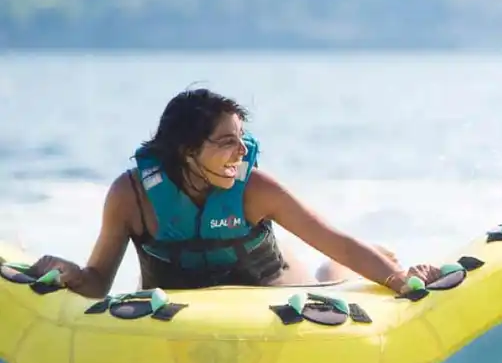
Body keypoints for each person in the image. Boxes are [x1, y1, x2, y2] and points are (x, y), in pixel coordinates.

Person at [23, 88, 440, 297]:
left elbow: (338, 240)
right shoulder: (131, 196)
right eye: (227, 141)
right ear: (188, 150)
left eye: (242, 139)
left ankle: (348, 267)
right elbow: (99, 281)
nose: (242, 151)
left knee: (331, 274)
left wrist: (396, 279)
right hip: (180, 308)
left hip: (274, 290)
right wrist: (72, 274)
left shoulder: (256, 189)